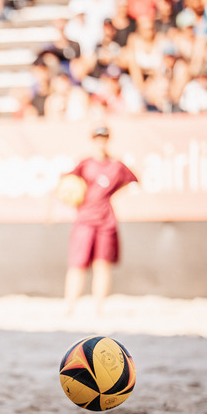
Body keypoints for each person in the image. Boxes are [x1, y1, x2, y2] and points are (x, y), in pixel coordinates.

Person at [62, 125, 139, 314]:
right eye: (98, 139)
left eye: (104, 138)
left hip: (106, 220)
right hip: (85, 219)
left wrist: (111, 194)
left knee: (102, 264)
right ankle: (69, 307)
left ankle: (98, 308)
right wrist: (73, 198)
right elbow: (66, 183)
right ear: (93, 140)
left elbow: (133, 180)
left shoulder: (116, 165)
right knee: (77, 264)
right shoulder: (85, 164)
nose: (101, 142)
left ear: (108, 140)